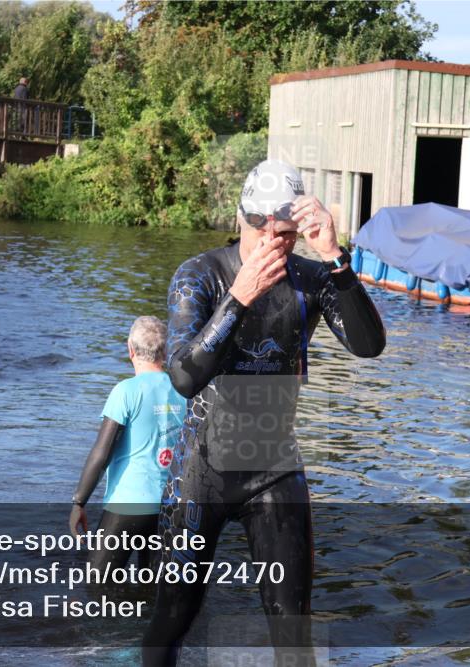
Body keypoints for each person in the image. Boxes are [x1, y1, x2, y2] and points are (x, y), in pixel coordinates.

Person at [141, 159, 386, 665]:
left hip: (274, 469)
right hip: (201, 471)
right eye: (261, 230)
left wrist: (336, 256)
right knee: (172, 618)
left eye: (286, 234)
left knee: (293, 633)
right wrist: (239, 298)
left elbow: (369, 346)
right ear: (241, 219)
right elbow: (184, 377)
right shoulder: (201, 276)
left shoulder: (313, 279)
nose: (272, 244)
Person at [69, 316, 186, 570]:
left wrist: (79, 502)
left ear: (129, 349)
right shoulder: (183, 390)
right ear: (165, 352)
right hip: (169, 509)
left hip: (127, 506)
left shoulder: (126, 391)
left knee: (97, 585)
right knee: (155, 590)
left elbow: (102, 453)